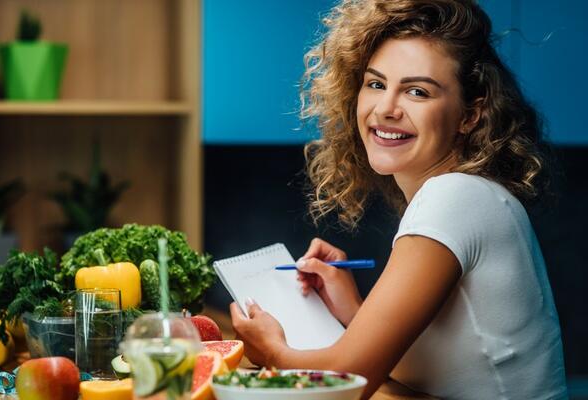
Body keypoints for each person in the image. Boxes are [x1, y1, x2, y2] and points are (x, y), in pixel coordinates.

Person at [229, 1, 568, 399]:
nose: (386, 108)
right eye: (375, 84)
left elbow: (347, 385)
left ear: (469, 115)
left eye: (417, 91)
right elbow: (431, 373)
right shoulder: (473, 194)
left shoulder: (454, 197)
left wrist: (272, 352)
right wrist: (353, 310)